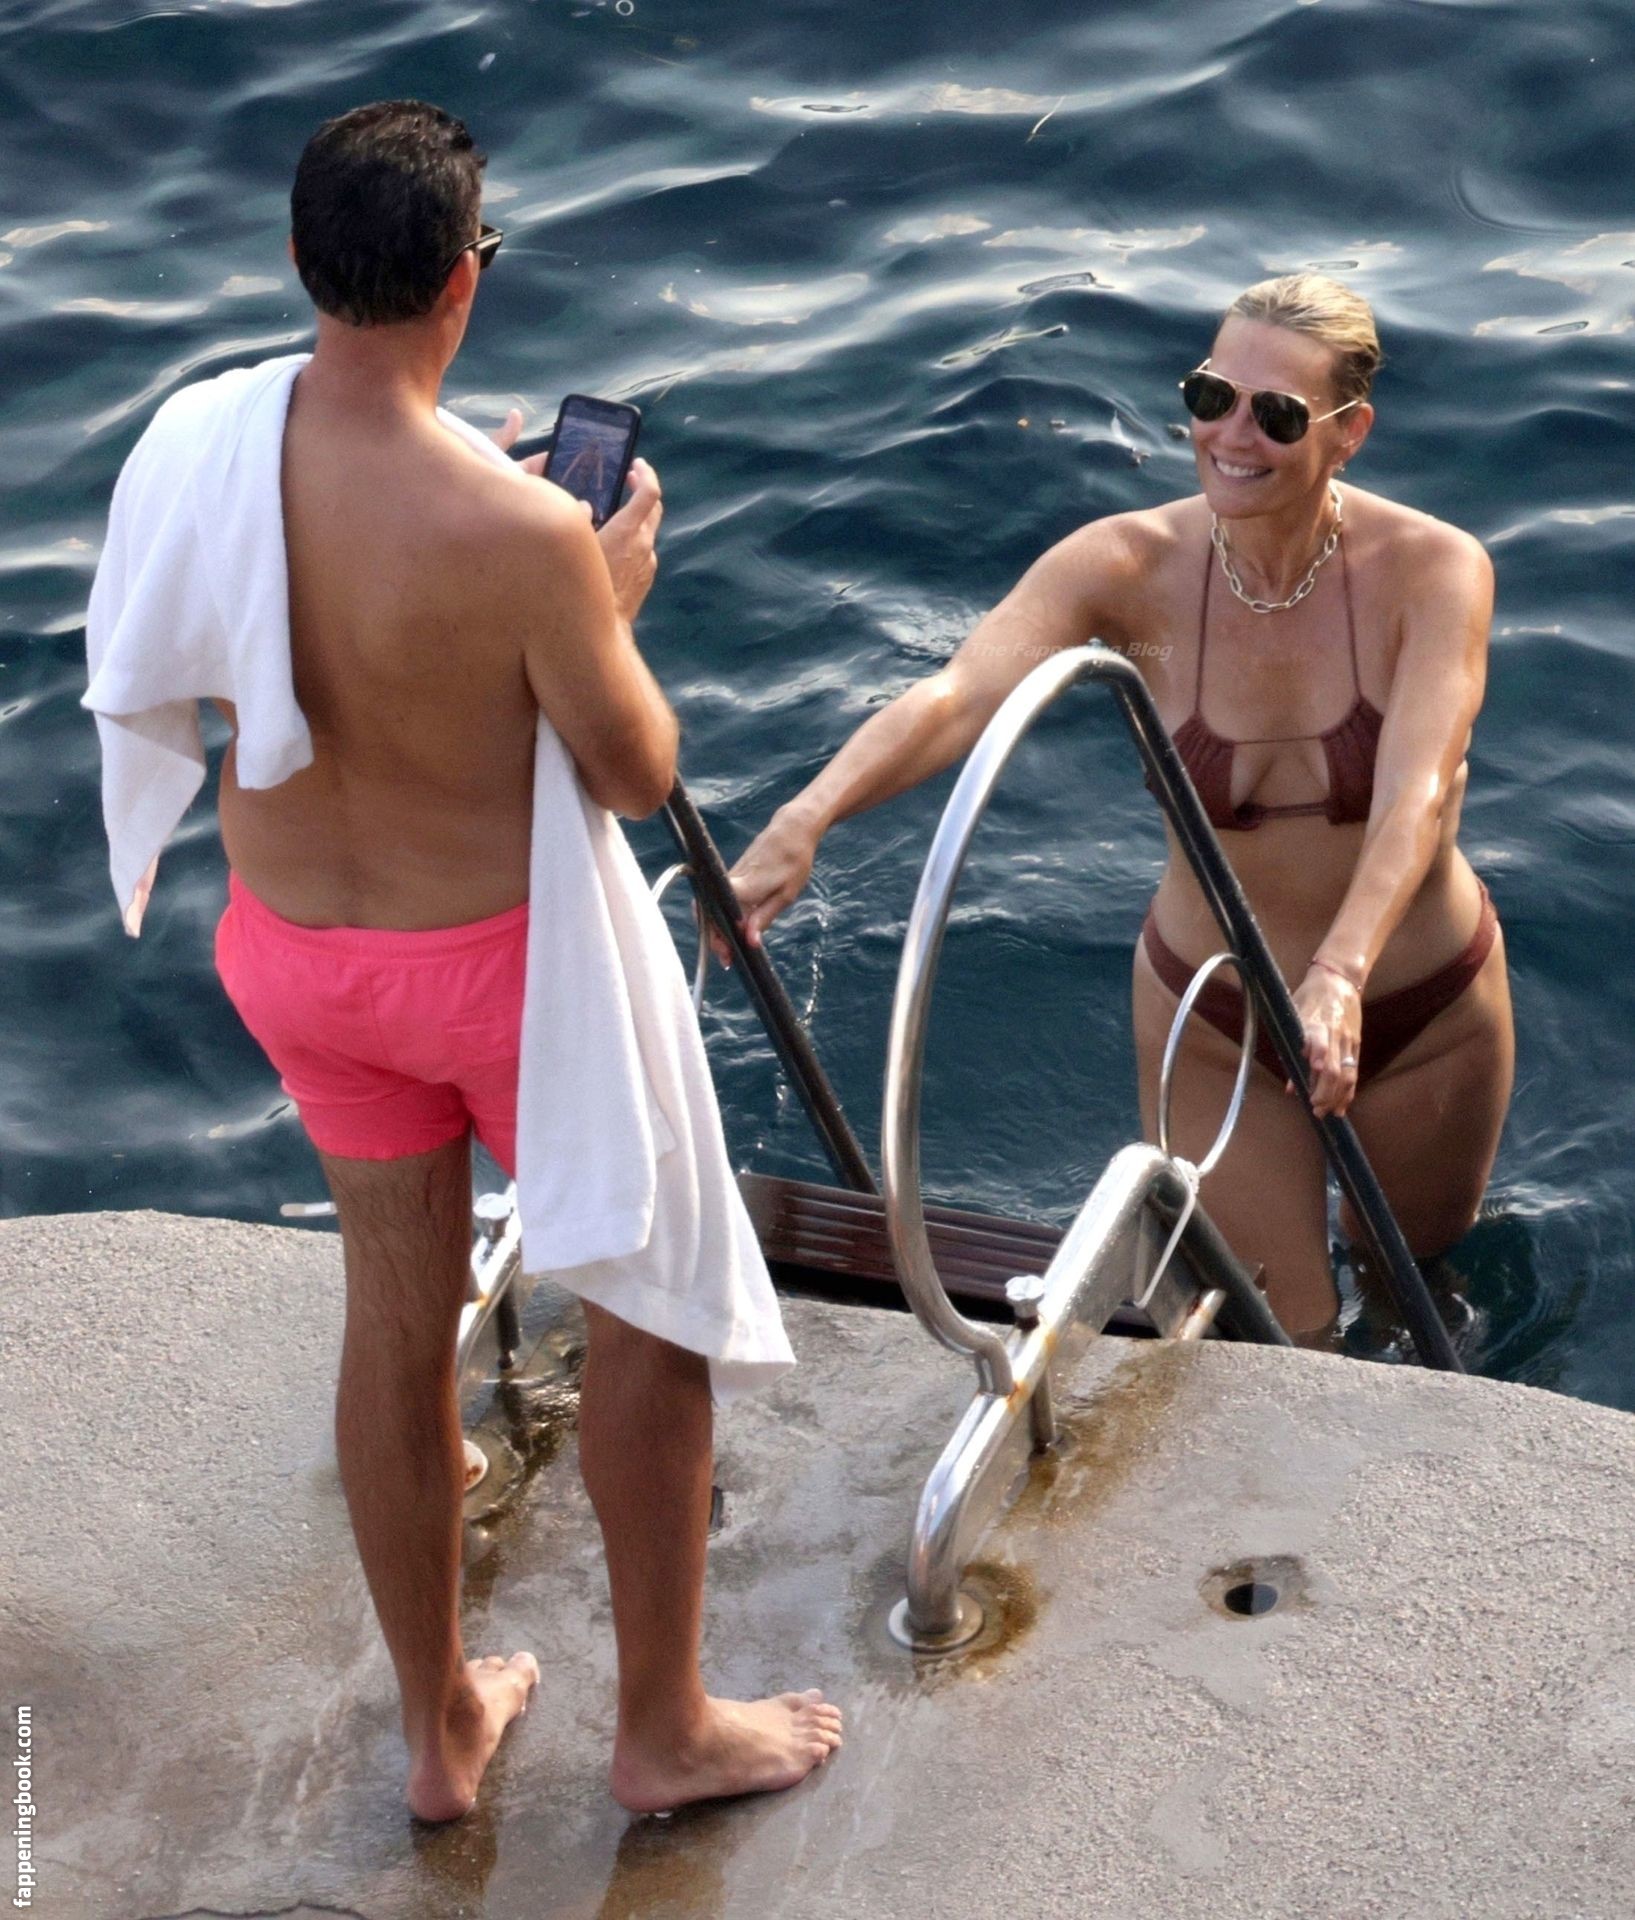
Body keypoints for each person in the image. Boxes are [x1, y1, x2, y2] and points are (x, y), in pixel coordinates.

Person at [86, 100, 840, 1824]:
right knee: (645, 1316)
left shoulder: (199, 440)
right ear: (462, 282)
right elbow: (634, 770)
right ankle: (663, 1731)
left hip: (298, 958)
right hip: (502, 975)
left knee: (396, 1319)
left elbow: (215, 641)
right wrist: (604, 592)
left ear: (302, 260)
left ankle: (439, 1735)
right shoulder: (523, 536)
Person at [726, 274, 1513, 1344]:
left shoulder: (1433, 571)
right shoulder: (1124, 570)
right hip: (1217, 1020)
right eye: (1210, 397)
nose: (1231, 435)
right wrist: (804, 820)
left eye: (1277, 415)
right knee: (1286, 1338)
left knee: (1411, 1284)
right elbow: (958, 695)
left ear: (1349, 432)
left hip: (1423, 1009)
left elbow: (1417, 791)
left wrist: (1340, 973)